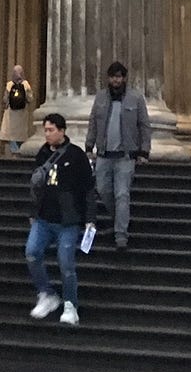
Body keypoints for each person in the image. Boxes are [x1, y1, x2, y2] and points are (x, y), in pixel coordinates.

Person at [26, 112, 94, 328]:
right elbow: (36, 187)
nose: (47, 134)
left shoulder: (76, 155)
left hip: (68, 220)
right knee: (32, 252)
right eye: (45, 130)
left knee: (66, 263)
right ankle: (46, 293)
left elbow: (88, 188)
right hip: (44, 216)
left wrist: (89, 218)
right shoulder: (42, 153)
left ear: (62, 131)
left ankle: (70, 304)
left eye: (51, 130)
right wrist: (33, 212)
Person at [85, 61, 151, 249]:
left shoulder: (136, 98)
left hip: (125, 156)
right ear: (108, 78)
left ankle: (121, 235)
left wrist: (144, 151)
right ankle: (119, 221)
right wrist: (89, 146)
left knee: (122, 194)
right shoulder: (100, 98)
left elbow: (144, 125)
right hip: (103, 155)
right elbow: (93, 123)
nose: (116, 80)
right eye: (113, 76)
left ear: (124, 78)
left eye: (119, 76)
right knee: (103, 190)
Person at [0, 63, 33, 153]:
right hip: (22, 114)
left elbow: (5, 99)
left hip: (11, 113)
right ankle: (19, 150)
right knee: (20, 135)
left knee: (11, 135)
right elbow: (30, 99)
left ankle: (14, 151)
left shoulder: (9, 84)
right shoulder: (26, 84)